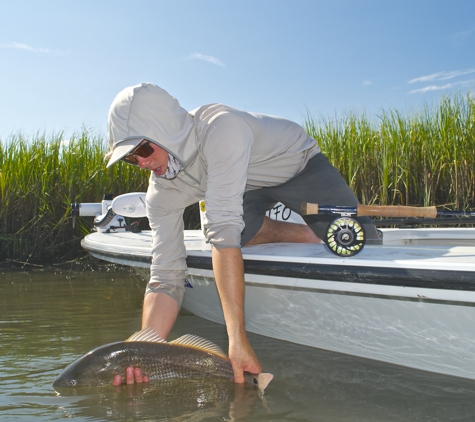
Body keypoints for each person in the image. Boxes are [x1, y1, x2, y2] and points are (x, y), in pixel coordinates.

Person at [105, 83, 380, 386]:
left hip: (297, 165)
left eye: (143, 149)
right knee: (238, 232)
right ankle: (309, 235)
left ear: (167, 131)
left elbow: (223, 237)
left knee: (364, 244)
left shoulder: (221, 129)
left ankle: (324, 229)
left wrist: (237, 340)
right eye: (131, 157)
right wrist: (145, 353)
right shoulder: (161, 193)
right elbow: (167, 276)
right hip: (245, 188)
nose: (142, 162)